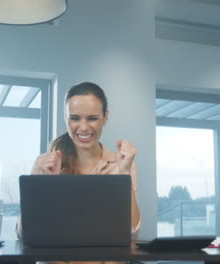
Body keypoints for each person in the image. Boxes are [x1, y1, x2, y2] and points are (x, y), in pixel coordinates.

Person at [16, 82, 141, 243]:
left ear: (105, 117)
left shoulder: (122, 165)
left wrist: (124, 174)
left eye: (92, 118)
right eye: (75, 118)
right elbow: (23, 234)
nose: (83, 128)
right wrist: (41, 181)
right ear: (65, 118)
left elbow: (133, 234)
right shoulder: (45, 165)